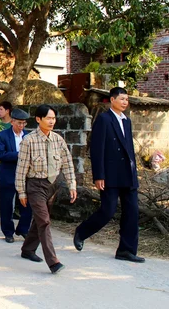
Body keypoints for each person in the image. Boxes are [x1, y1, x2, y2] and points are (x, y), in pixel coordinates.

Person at [73, 87, 144, 263]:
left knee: (132, 212)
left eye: (127, 99)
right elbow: (97, 149)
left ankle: (126, 250)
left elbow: (130, 150)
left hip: (128, 175)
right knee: (108, 210)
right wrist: (99, 175)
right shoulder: (104, 120)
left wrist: (135, 173)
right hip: (110, 175)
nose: (125, 102)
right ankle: (82, 232)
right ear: (112, 100)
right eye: (122, 99)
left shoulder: (126, 121)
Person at [15, 104, 77, 274]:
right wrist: (21, 191)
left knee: (40, 220)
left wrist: (72, 184)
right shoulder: (29, 141)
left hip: (52, 185)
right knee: (44, 221)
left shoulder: (58, 139)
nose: (52, 121)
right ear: (38, 119)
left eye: (53, 118)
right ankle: (53, 261)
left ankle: (27, 249)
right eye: (48, 118)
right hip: (35, 185)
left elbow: (68, 163)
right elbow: (21, 169)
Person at [0, 108, 33, 243]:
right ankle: (8, 232)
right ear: (12, 122)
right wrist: (19, 155)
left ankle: (23, 228)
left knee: (27, 203)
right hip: (8, 174)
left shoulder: (28, 136)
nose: (21, 126)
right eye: (19, 123)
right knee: (7, 205)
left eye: (24, 123)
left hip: (24, 175)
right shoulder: (3, 136)